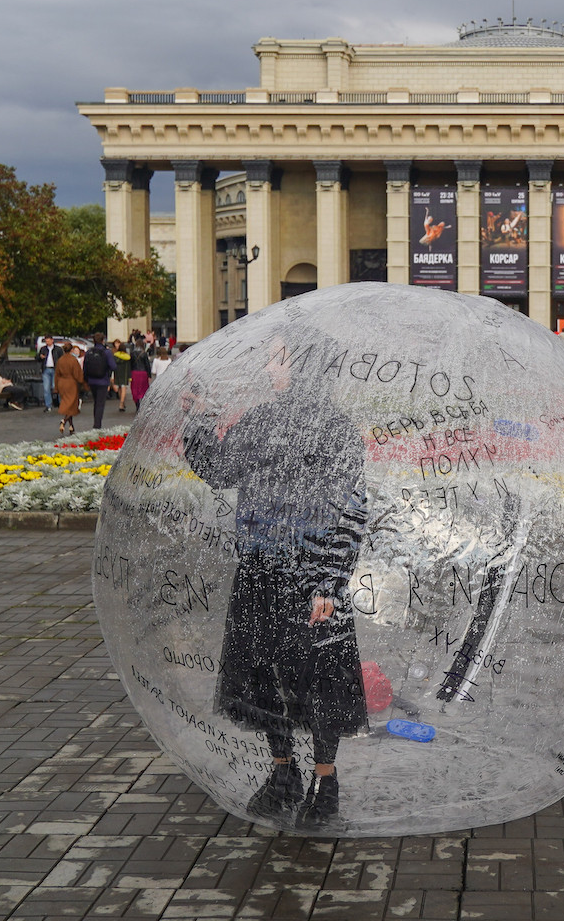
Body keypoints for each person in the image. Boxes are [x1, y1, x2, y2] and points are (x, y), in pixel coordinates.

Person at [181, 343, 369, 824]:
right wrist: (198, 419)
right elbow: (220, 469)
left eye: (278, 358)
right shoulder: (262, 419)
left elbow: (352, 507)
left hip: (312, 573)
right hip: (261, 567)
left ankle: (325, 783)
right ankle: (284, 773)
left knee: (319, 678)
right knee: (266, 673)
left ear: (304, 363)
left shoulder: (336, 427)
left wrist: (328, 582)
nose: (269, 366)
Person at [82, 333, 116, 429]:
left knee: (96, 402)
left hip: (92, 380)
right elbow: (113, 366)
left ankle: (96, 422)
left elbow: (85, 367)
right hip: (103, 380)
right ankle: (97, 425)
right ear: (103, 340)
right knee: (100, 403)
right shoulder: (107, 352)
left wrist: (86, 379)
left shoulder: (89, 352)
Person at [54, 340, 86, 436]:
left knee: (68, 404)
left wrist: (56, 387)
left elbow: (57, 374)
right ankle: (63, 421)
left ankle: (71, 426)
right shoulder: (73, 360)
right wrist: (82, 382)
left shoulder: (60, 360)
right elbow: (78, 374)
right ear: (71, 350)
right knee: (72, 404)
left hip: (61, 383)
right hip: (71, 384)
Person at [128, 337, 153, 409]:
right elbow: (147, 365)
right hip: (143, 373)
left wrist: (129, 375)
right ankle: (143, 403)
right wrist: (149, 375)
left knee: (135, 389)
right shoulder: (144, 353)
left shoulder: (132, 353)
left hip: (135, 372)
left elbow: (130, 364)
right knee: (144, 389)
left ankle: (137, 404)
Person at [36, 335, 56, 412]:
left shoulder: (57, 349)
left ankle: (59, 403)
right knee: (46, 388)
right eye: (46, 341)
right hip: (46, 369)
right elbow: (37, 358)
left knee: (55, 387)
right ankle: (48, 405)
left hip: (55, 369)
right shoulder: (43, 349)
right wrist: (40, 357)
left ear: (52, 340)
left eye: (48, 341)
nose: (47, 342)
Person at [112, 339, 132, 412]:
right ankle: (121, 403)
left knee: (120, 388)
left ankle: (122, 402)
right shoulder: (127, 357)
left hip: (117, 374)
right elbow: (129, 367)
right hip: (125, 374)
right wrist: (130, 376)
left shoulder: (115, 356)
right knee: (123, 389)